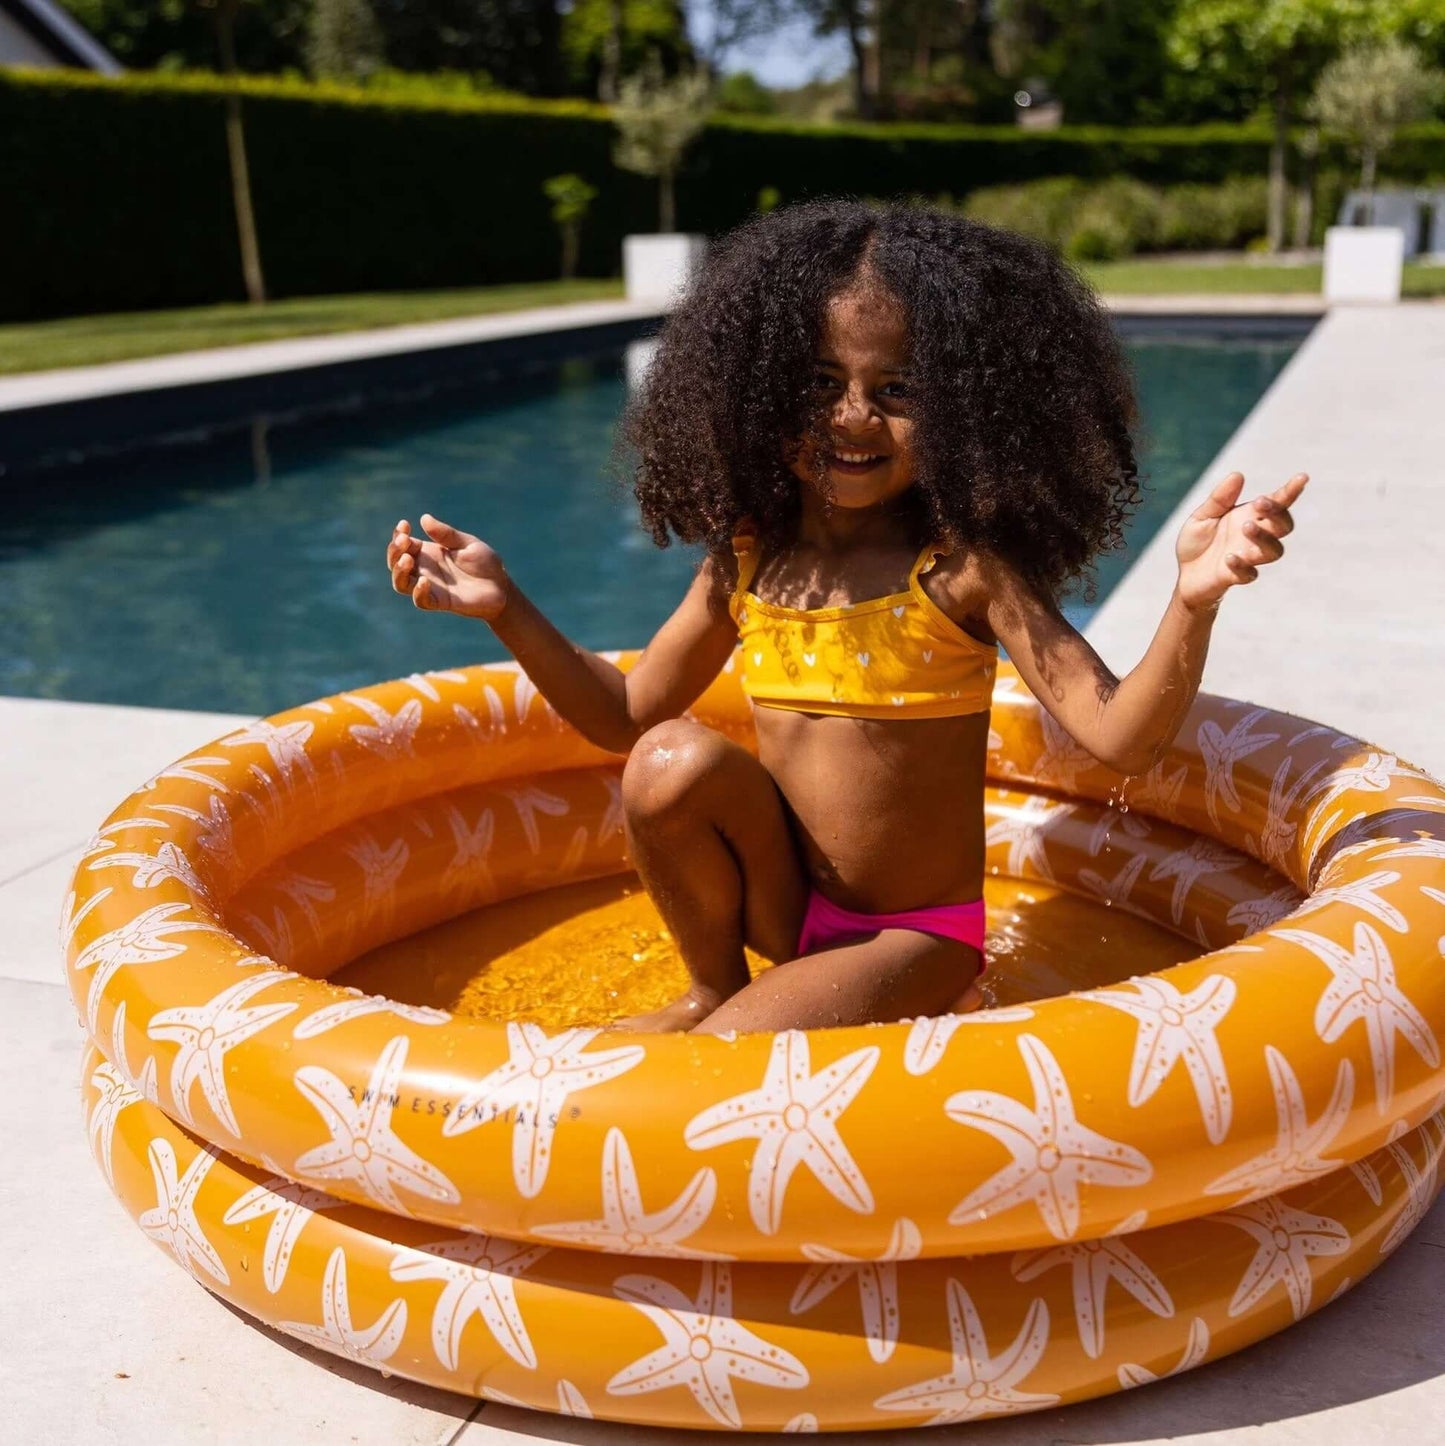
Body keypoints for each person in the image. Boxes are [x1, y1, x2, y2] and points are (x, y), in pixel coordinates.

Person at [384, 200, 1305, 1037]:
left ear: (970, 410)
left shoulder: (961, 573)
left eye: (897, 391)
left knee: (717, 1072)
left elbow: (1120, 738)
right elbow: (624, 715)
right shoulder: (748, 557)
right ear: (756, 390)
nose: (852, 417)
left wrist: (1191, 599)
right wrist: (506, 607)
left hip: (913, 936)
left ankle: (816, 1008)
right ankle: (712, 986)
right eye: (819, 383)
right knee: (668, 759)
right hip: (784, 908)